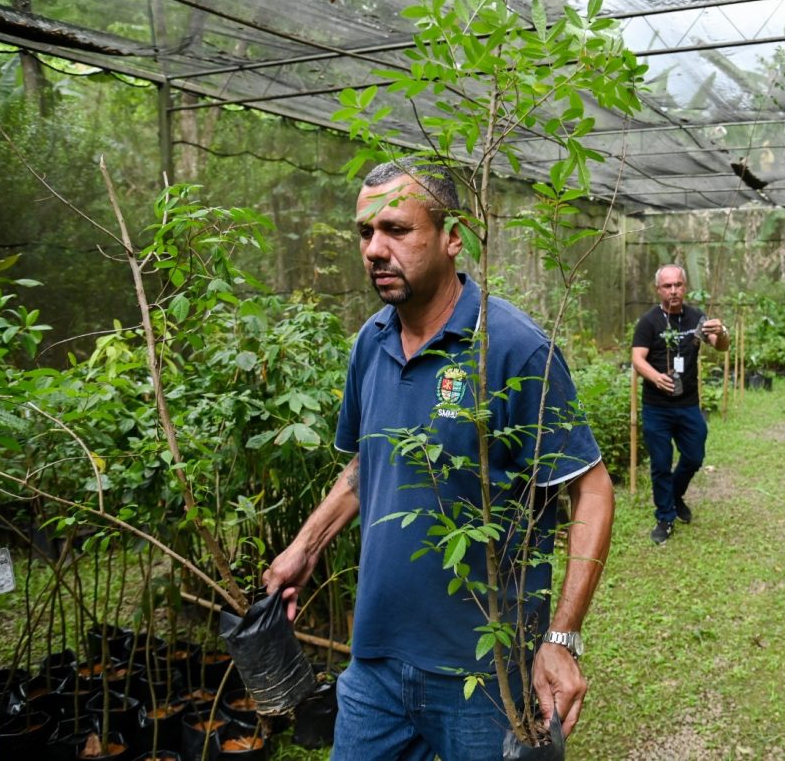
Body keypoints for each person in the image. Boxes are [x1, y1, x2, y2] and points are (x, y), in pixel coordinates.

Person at [263, 157, 615, 759]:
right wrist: (306, 546)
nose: (375, 249)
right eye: (365, 233)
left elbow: (592, 488)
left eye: (396, 230)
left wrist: (561, 636)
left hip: (485, 673)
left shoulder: (511, 347)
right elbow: (368, 465)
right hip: (373, 661)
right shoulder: (369, 343)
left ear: (453, 238)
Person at [631, 264, 730, 545]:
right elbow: (637, 358)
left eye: (678, 285)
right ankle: (665, 516)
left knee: (694, 456)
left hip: (688, 404)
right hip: (657, 407)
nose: (673, 290)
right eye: (667, 286)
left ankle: (674, 496)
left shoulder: (696, 316)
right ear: (658, 289)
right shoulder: (649, 322)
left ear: (684, 286)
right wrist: (655, 377)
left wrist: (721, 331)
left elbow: (720, 345)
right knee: (661, 464)